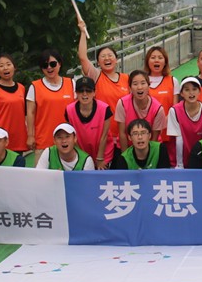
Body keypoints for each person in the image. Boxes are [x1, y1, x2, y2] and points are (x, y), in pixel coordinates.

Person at [77, 19, 130, 153]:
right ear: (98, 63)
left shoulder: (127, 79)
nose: (107, 58)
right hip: (103, 135)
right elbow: (82, 57)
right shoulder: (96, 76)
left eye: (110, 55)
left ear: (116, 59)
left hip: (124, 134)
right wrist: (82, 32)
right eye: (103, 56)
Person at [25, 48, 76, 158]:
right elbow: (30, 113)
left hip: (68, 142)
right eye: (45, 65)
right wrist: (30, 136)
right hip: (44, 142)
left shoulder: (71, 83)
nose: (49, 68)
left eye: (53, 64)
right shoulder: (35, 87)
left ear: (60, 64)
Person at [0, 53, 28, 154]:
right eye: (1, 65)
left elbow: (25, 115)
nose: (5, 68)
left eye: (8, 64)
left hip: (18, 138)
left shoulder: (22, 88)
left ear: (14, 67)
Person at [64, 76, 112, 169]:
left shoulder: (104, 109)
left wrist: (100, 158)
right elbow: (72, 136)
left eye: (88, 90)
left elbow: (105, 135)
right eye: (81, 91)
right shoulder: (69, 110)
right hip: (81, 152)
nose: (84, 94)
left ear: (94, 92)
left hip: (103, 153)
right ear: (76, 93)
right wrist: (82, 158)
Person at [167, 76, 202, 168]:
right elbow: (178, 139)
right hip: (179, 161)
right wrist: (180, 165)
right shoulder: (174, 111)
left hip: (201, 159)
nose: (191, 93)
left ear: (199, 91)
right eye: (187, 90)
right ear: (181, 93)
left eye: (194, 89)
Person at [114, 70, 167, 149]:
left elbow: (154, 139)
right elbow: (122, 133)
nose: (139, 87)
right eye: (135, 84)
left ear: (149, 86)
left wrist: (148, 155)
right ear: (130, 88)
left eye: (143, 83)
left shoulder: (158, 109)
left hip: (151, 148)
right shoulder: (122, 103)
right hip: (128, 148)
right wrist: (125, 155)